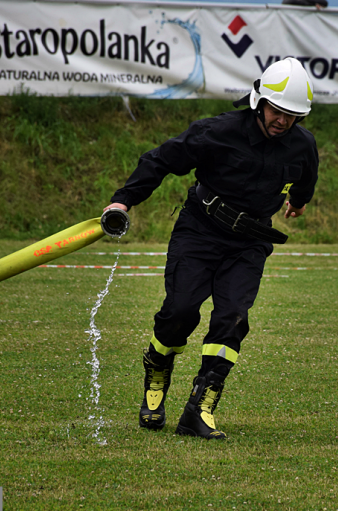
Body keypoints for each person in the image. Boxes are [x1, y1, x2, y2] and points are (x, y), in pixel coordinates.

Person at [103, 58, 318, 440]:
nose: (282, 121)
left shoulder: (302, 144)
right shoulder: (217, 132)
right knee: (180, 312)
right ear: (258, 101)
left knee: (232, 318)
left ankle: (199, 409)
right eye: (277, 111)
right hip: (199, 231)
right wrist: (122, 202)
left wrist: (298, 202)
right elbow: (160, 161)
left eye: (291, 115)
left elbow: (305, 178)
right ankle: (157, 370)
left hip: (250, 242)